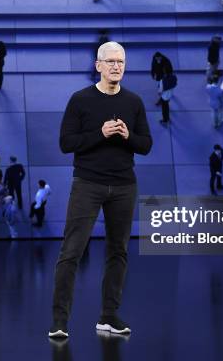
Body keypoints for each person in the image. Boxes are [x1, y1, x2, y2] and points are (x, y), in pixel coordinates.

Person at [49, 41, 152, 338]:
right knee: (72, 252)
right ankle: (59, 321)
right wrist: (100, 133)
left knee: (118, 252)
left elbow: (145, 145)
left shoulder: (133, 102)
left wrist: (128, 135)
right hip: (88, 184)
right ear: (98, 66)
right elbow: (66, 143)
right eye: (110, 62)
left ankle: (109, 316)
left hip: (124, 185)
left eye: (120, 61)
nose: (116, 66)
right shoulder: (80, 100)